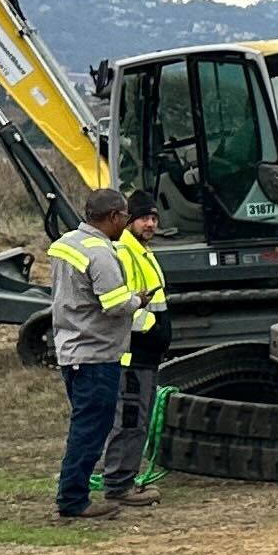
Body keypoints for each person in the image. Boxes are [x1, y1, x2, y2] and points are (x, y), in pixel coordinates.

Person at [48, 188, 152, 520]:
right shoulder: (101, 253)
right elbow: (113, 303)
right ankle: (73, 501)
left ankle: (72, 495)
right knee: (90, 429)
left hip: (73, 348)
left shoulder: (68, 242)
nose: (126, 222)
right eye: (124, 216)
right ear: (113, 217)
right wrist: (138, 300)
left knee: (85, 425)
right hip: (95, 354)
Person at [101, 189, 171, 507]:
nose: (151, 224)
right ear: (128, 221)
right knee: (129, 419)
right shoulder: (125, 253)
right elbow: (122, 306)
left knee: (137, 420)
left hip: (146, 354)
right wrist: (152, 331)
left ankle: (124, 480)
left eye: (154, 218)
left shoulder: (142, 251)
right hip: (134, 354)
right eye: (144, 218)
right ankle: (118, 485)